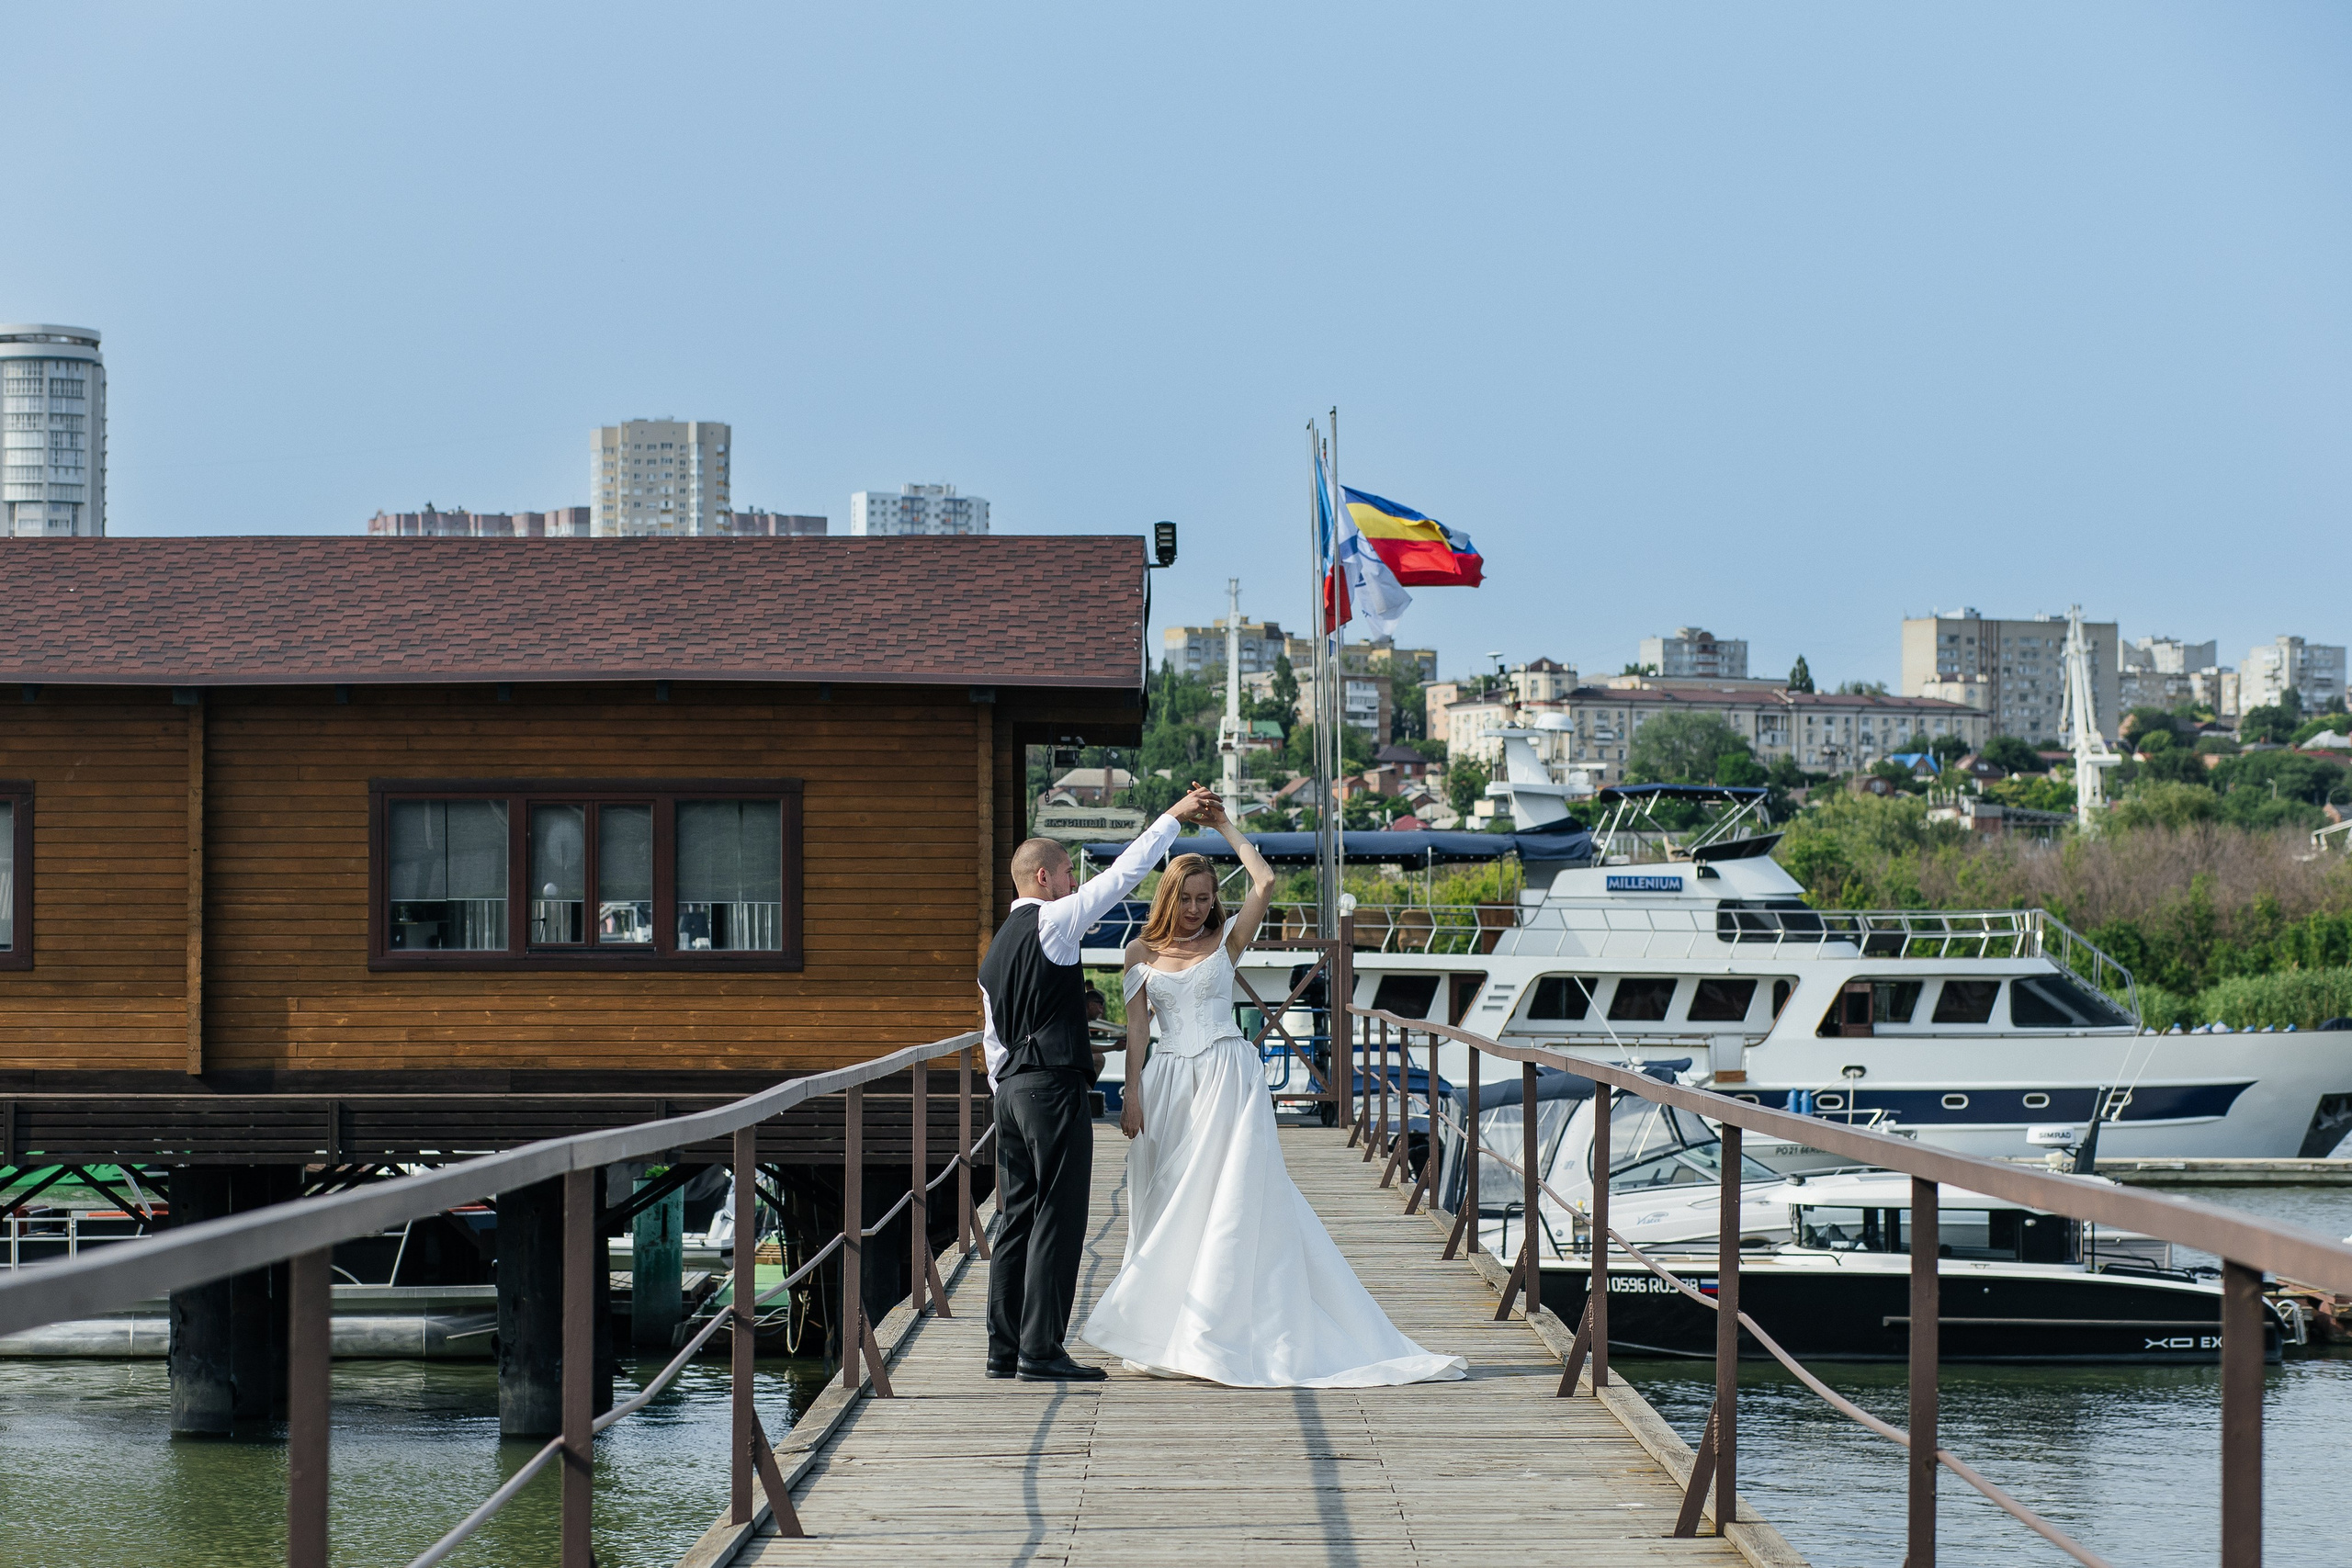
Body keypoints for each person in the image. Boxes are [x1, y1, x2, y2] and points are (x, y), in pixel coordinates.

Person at [1080, 798, 1465, 1386]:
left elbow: (1264, 881)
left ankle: (1221, 1332)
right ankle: (1161, 1326)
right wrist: (1130, 1092)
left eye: (1204, 898)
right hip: (1167, 1082)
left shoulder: (1227, 941)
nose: (1194, 909)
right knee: (1165, 1196)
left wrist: (1222, 826)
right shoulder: (1139, 953)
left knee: (1230, 1197)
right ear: (1167, 898)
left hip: (1227, 1078)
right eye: (1185, 899)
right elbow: (1137, 1029)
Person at [978, 782, 1221, 1382]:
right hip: (1051, 1088)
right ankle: (1041, 1350)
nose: (1072, 886)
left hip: (1009, 1092)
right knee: (1058, 1217)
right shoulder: (1054, 921)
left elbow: (992, 1038)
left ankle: (1002, 1349)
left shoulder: (994, 950)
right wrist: (1173, 816)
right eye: (1067, 876)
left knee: (1015, 1217)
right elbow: (1123, 877)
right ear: (1044, 878)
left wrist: (1007, 1092)